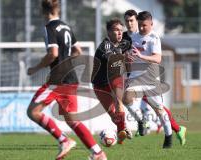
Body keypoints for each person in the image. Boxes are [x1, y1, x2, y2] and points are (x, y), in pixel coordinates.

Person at [26, 0, 107, 160]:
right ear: (58, 9)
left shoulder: (49, 28)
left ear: (43, 11)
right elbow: (78, 51)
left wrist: (35, 68)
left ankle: (64, 140)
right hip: (71, 79)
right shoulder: (66, 27)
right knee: (72, 120)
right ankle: (98, 153)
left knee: (33, 112)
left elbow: (53, 54)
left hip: (57, 80)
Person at [123, 9, 187, 146]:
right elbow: (128, 55)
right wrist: (127, 57)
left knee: (159, 110)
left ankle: (168, 135)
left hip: (151, 78)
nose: (141, 27)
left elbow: (157, 59)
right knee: (126, 99)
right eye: (139, 24)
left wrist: (141, 56)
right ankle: (141, 121)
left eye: (144, 25)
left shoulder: (154, 38)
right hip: (135, 77)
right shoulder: (132, 37)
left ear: (151, 24)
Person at [91, 18, 132, 145]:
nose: (120, 33)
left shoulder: (123, 43)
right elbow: (112, 59)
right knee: (114, 116)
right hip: (100, 84)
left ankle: (120, 135)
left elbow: (133, 40)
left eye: (121, 30)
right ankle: (123, 127)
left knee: (119, 102)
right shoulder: (105, 45)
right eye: (116, 30)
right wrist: (124, 58)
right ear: (108, 32)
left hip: (114, 78)